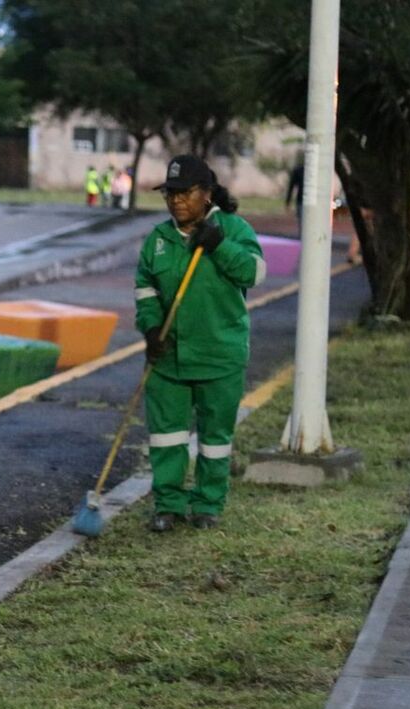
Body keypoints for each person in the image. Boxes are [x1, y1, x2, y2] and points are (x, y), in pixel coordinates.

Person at [134, 154, 266, 533]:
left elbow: (255, 273)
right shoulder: (158, 240)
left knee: (215, 439)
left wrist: (219, 245)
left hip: (219, 355)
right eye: (170, 193)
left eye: (185, 193)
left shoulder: (234, 228)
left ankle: (208, 504)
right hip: (169, 358)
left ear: (207, 195)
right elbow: (144, 287)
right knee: (167, 436)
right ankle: (169, 505)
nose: (176, 201)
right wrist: (151, 328)